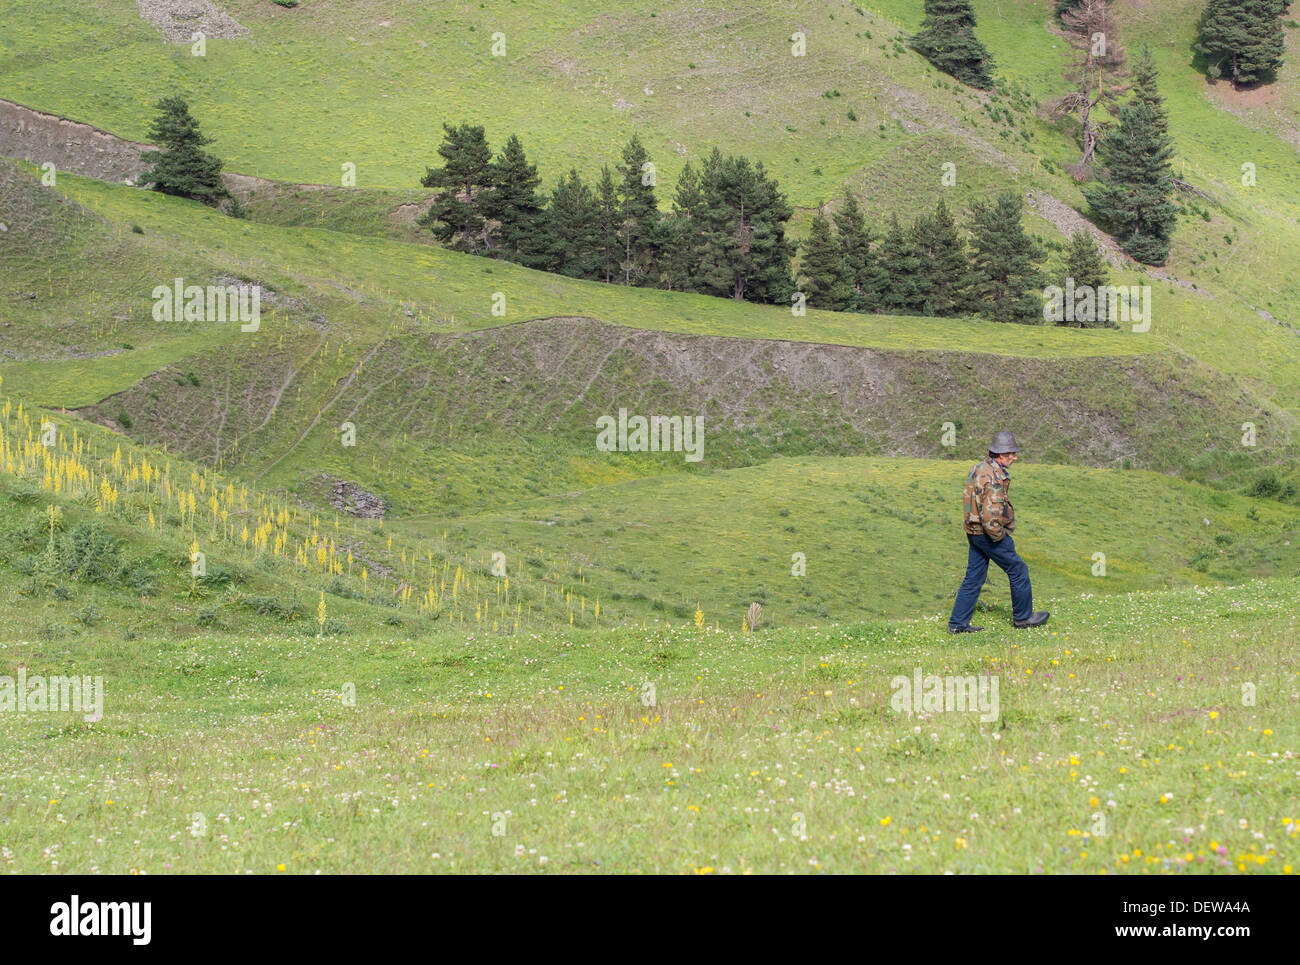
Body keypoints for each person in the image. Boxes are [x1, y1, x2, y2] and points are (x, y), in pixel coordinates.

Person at [948, 431, 1049, 633]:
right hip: (987, 534)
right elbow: (990, 517)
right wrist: (1000, 537)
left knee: (974, 577)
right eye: (1011, 454)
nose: (1015, 457)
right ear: (1000, 455)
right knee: (1018, 570)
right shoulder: (994, 478)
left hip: (973, 531)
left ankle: (957, 624)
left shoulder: (979, 468)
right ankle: (1023, 617)